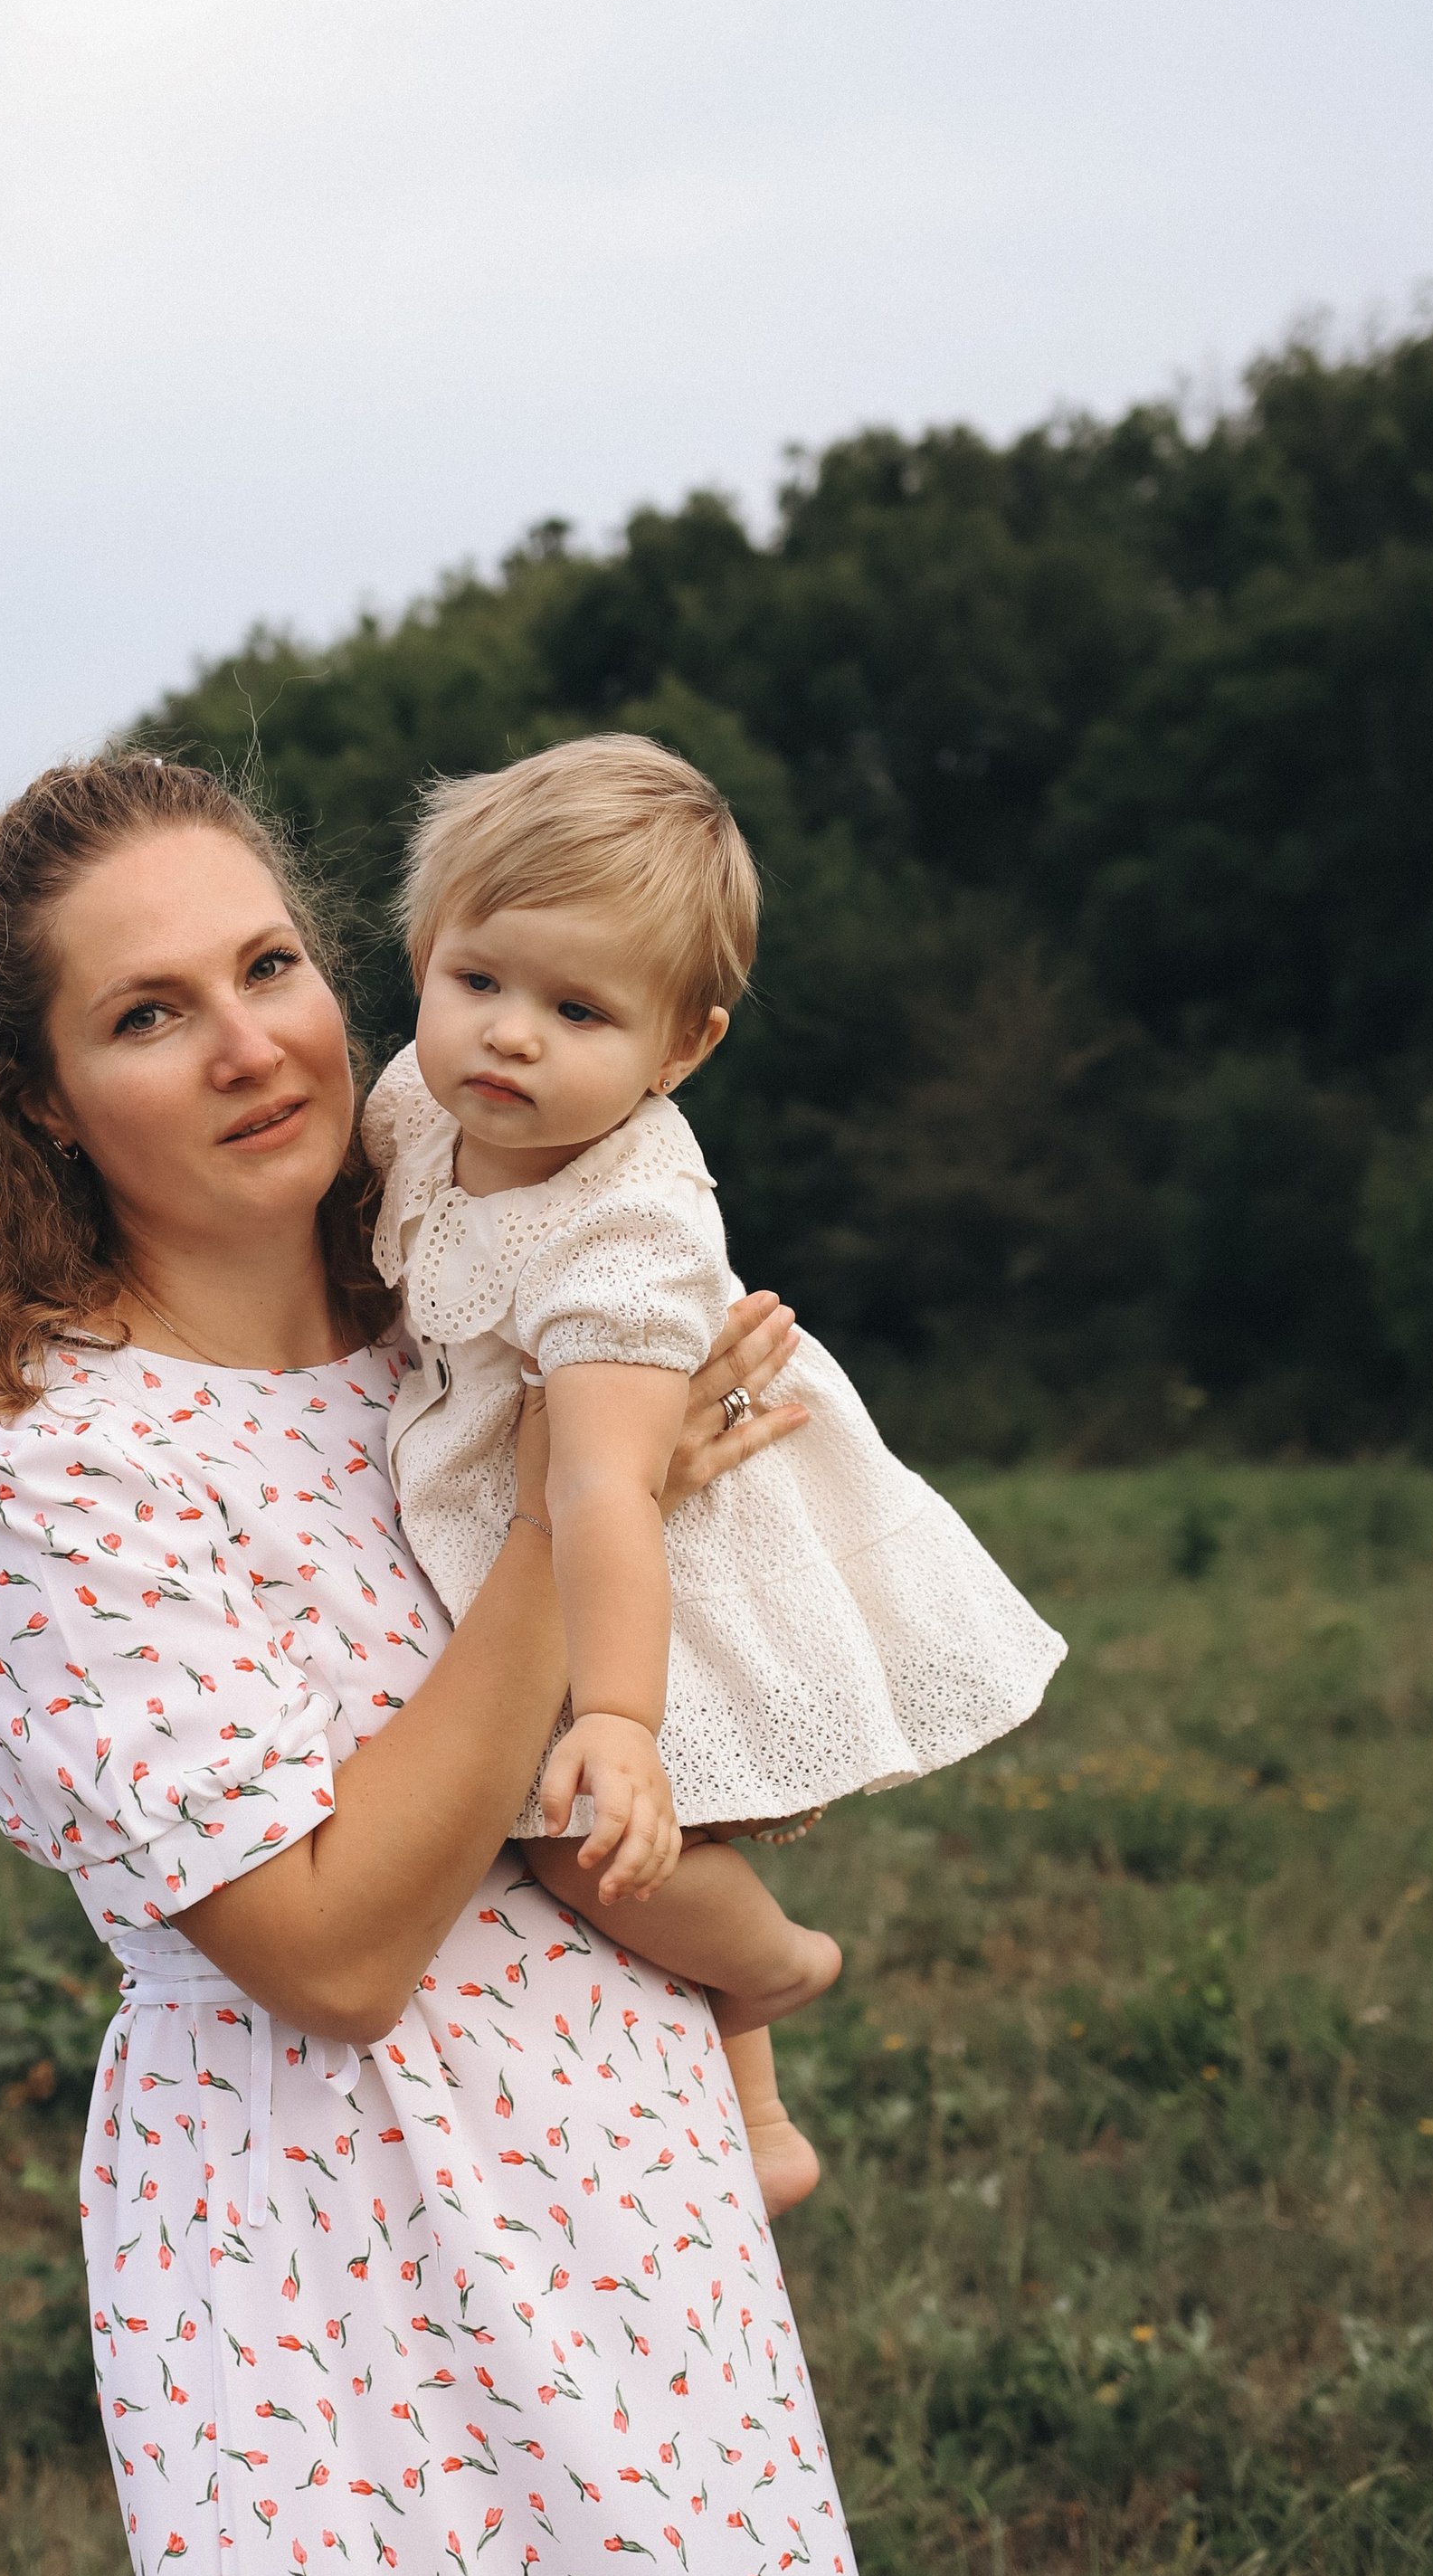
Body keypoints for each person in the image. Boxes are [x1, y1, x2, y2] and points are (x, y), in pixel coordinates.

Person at [0, 750, 949, 2576]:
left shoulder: (468, 1319)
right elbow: (337, 1950)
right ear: (48, 1098)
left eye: (268, 964)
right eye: (147, 1012)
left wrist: (603, 1438)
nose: (250, 1037)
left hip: (629, 2184)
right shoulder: (48, 1481)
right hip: (330, 2264)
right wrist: (586, 1494)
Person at [365, 737, 1066, 2215]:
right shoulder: (416, 1111)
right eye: (479, 981)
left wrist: (620, 1719)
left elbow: (611, 1494)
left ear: (682, 1049)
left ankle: (778, 1967)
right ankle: (758, 2123)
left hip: (654, 1551)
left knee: (587, 1843)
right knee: (595, 1830)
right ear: (426, 954)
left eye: (579, 1011)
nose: (511, 1039)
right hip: (534, 1502)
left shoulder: (627, 1239)